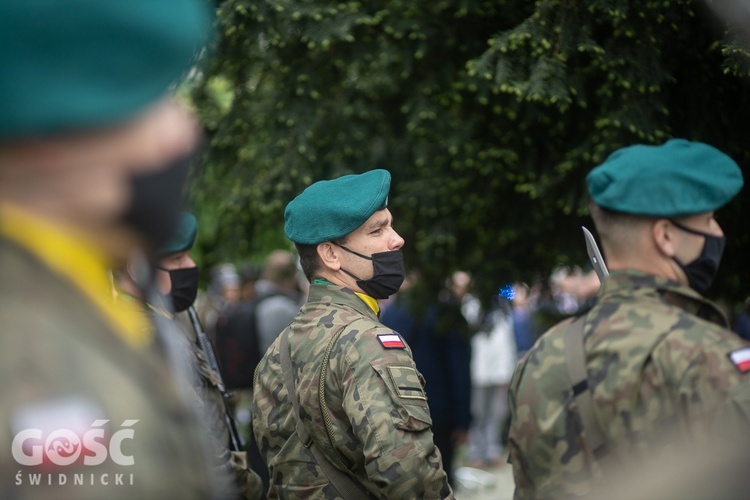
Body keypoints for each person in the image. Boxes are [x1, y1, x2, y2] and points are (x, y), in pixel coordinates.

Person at [0, 1, 222, 498]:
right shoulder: (28, 357)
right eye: (145, 105)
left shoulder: (71, 301)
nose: (184, 132)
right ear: (46, 138)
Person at [508, 138, 750, 499]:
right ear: (666, 236)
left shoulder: (539, 359)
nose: (717, 232)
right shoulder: (712, 356)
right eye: (709, 219)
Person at [253, 169, 453, 498]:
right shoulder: (369, 344)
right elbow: (412, 481)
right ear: (330, 255)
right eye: (378, 230)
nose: (397, 239)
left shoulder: (279, 350)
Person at [114, 212, 263, 499]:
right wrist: (250, 486)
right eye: (178, 259)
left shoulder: (157, 323)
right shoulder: (148, 338)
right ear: (136, 267)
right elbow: (200, 447)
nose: (191, 266)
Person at [380, 272, 472, 488]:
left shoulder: (392, 311)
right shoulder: (447, 312)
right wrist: (463, 418)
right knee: (441, 479)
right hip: (439, 411)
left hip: (400, 409)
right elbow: (459, 368)